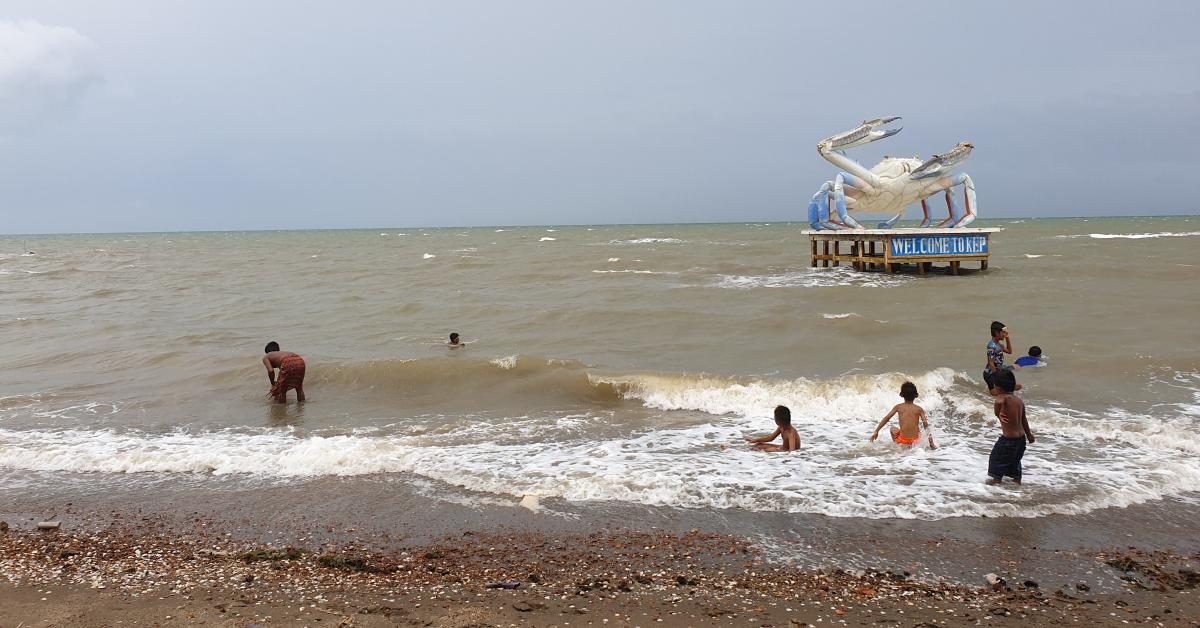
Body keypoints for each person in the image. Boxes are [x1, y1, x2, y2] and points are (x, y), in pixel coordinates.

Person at [987, 369, 1034, 485]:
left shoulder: (1003, 398)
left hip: (1008, 441)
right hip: (1021, 440)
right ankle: (1017, 482)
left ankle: (995, 483)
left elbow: (999, 401)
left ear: (999, 389)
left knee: (996, 460)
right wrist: (1029, 434)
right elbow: (1024, 419)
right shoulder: (1019, 401)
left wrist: (998, 413)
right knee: (1015, 462)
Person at [870, 381, 937, 449]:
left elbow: (886, 418)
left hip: (903, 440)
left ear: (901, 395)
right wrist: (931, 443)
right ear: (916, 395)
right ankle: (910, 446)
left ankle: (899, 446)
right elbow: (926, 426)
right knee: (919, 431)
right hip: (915, 441)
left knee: (892, 429)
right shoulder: (919, 409)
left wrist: (876, 431)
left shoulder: (898, 407)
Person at [983, 321, 1013, 390]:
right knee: (996, 393)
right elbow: (991, 363)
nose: (1005, 334)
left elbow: (1009, 351)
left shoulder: (999, 345)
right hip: (990, 374)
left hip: (997, 371)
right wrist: (996, 377)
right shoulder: (991, 346)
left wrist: (1007, 338)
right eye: (1003, 332)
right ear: (997, 333)